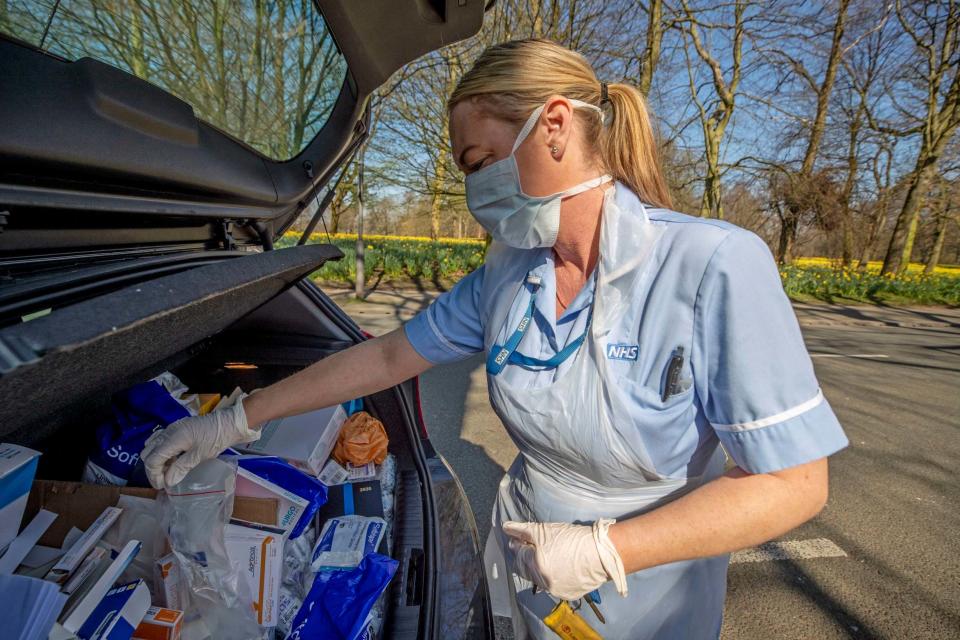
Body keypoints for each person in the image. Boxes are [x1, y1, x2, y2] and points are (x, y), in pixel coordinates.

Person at [142, 38, 848, 639]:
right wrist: (234, 419)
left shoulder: (713, 264)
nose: (476, 188)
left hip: (648, 590)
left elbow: (794, 482)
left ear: (555, 126)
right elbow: (389, 355)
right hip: (527, 554)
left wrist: (608, 548)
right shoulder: (510, 269)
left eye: (479, 162)